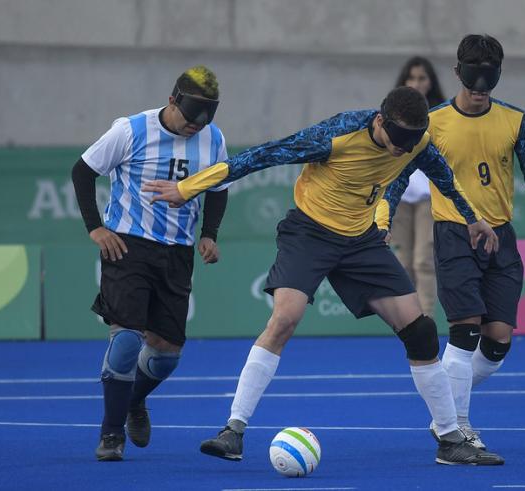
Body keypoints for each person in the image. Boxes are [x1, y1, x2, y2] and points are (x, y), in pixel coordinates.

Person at [144, 86, 504, 465]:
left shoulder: (415, 141)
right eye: (397, 140)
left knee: (421, 331)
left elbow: (443, 177)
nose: (401, 150)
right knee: (285, 318)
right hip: (310, 234)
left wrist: (474, 219)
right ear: (380, 121)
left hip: (362, 241)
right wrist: (188, 188)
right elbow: (261, 156)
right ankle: (233, 430)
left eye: (410, 142)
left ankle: (450, 439)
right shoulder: (338, 135)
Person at [380, 35, 525, 452]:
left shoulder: (515, 120)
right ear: (457, 73)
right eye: (472, 77)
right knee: (464, 333)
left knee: (498, 341)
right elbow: (396, 175)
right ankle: (458, 429)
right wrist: (383, 218)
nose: (480, 87)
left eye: (489, 78)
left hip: (501, 238)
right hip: (454, 233)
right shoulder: (433, 122)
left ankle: (443, 406)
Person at [71, 65, 230, 461]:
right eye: (191, 117)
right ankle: (111, 435)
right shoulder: (131, 130)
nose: (196, 126)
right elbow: (82, 172)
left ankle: (133, 402)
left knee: (165, 355)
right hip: (127, 247)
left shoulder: (213, 138)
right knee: (126, 339)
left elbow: (218, 187)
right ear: (173, 99)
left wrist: (209, 233)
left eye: (205, 119)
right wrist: (96, 228)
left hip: (176, 253)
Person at [391, 56, 446, 316]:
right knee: (402, 263)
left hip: (429, 193)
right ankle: (408, 323)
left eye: (422, 78)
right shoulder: (392, 112)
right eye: (411, 78)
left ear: (430, 82)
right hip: (399, 193)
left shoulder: (441, 115)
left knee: (424, 260)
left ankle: (426, 323)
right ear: (403, 81)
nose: (416, 83)